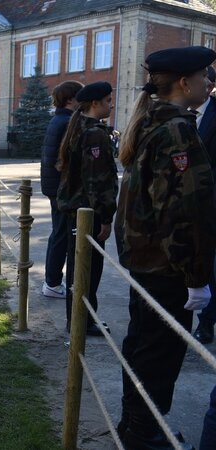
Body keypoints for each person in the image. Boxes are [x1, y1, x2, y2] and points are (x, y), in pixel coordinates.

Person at [115, 46, 216, 450]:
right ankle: (145, 434)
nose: (210, 82)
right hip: (167, 267)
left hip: (146, 262)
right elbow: (185, 210)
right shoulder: (177, 129)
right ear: (183, 82)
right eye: (205, 75)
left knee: (141, 345)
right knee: (159, 354)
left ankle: (134, 425)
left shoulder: (153, 122)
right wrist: (196, 277)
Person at [56, 81, 118, 337]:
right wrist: (105, 216)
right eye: (107, 101)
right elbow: (97, 181)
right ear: (95, 104)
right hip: (88, 212)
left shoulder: (80, 127)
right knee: (87, 271)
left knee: (79, 268)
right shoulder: (94, 134)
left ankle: (79, 319)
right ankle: (82, 321)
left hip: (78, 210)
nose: (110, 105)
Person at [40, 80, 84, 299]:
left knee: (59, 233)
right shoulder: (67, 122)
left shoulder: (59, 119)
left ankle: (52, 281)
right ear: (70, 100)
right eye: (80, 98)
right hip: (61, 188)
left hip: (54, 186)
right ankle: (53, 282)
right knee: (61, 235)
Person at [193, 65, 216, 345]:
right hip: (179, 209)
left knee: (210, 266)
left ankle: (206, 322)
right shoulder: (173, 114)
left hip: (210, 203)